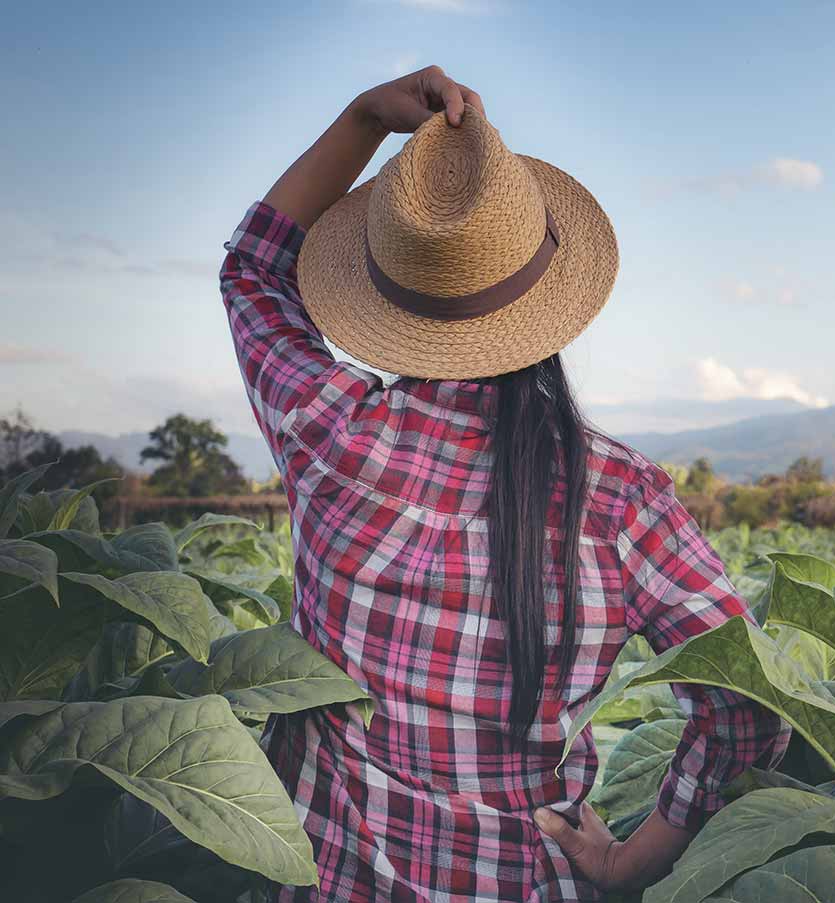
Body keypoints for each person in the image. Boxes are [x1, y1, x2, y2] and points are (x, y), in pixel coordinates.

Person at [220, 65, 790, 902]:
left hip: (330, 877)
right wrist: (633, 860)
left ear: (386, 296)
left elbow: (253, 272)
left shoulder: (329, 431)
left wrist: (363, 118)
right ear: (549, 298)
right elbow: (751, 703)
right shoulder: (622, 498)